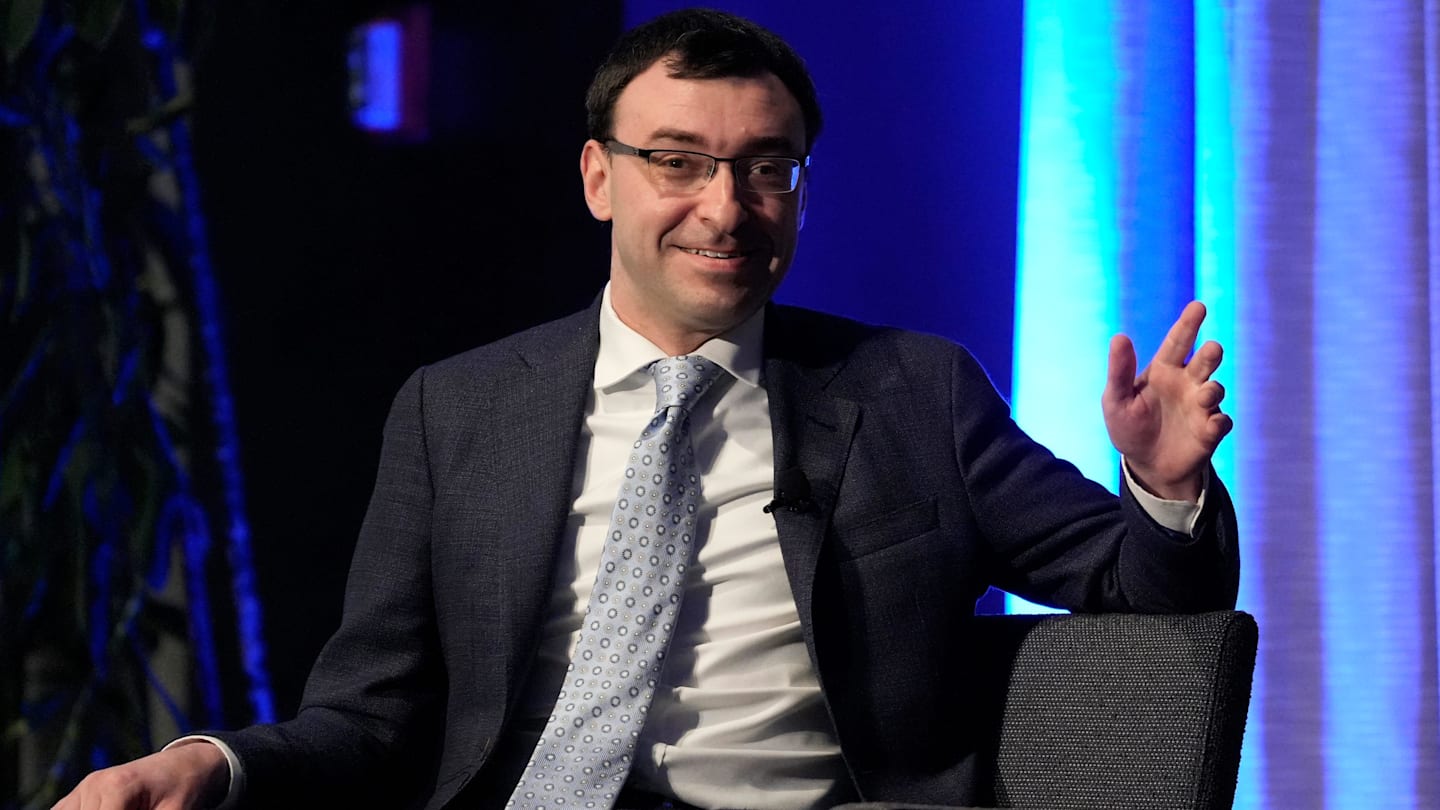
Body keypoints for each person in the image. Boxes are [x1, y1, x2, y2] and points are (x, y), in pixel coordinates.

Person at [56, 8, 1237, 810]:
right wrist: (208, 765)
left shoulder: (914, 391)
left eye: (766, 167)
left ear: (802, 191)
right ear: (598, 177)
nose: (726, 209)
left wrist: (1167, 487)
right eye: (678, 161)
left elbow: (1153, 594)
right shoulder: (455, 412)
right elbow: (368, 718)